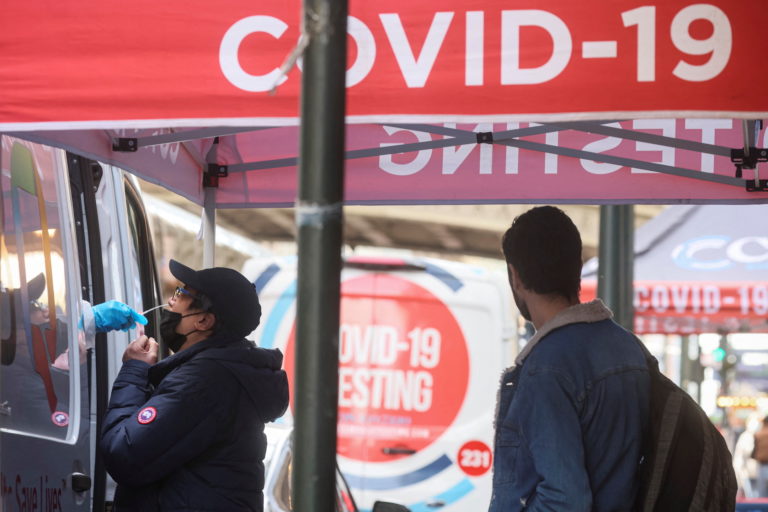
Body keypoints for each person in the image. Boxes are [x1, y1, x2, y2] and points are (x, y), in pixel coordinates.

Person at [488, 206, 650, 511]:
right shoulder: (629, 348)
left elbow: (564, 502)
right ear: (577, 267)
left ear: (515, 276)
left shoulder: (547, 367)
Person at [100, 259, 289, 511]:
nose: (170, 301)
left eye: (181, 293)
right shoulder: (222, 371)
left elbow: (123, 453)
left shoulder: (202, 381)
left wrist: (134, 371)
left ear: (203, 321)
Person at [752, 416, 768, 496]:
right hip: (762, 464)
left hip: (761, 464)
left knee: (761, 491)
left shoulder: (758, 434)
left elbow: (754, 452)